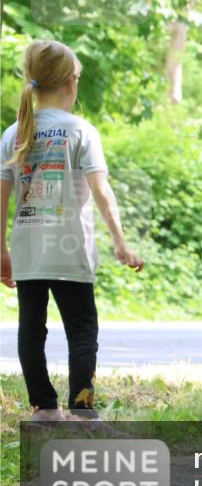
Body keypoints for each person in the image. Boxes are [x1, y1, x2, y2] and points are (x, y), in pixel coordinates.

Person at [0, 40, 144, 421]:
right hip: (71, 250)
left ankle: (43, 408)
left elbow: (1, 197)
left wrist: (1, 249)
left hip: (29, 251)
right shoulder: (81, 130)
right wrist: (120, 242)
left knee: (31, 330)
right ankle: (82, 411)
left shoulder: (13, 133)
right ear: (71, 82)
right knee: (82, 331)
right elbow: (102, 191)